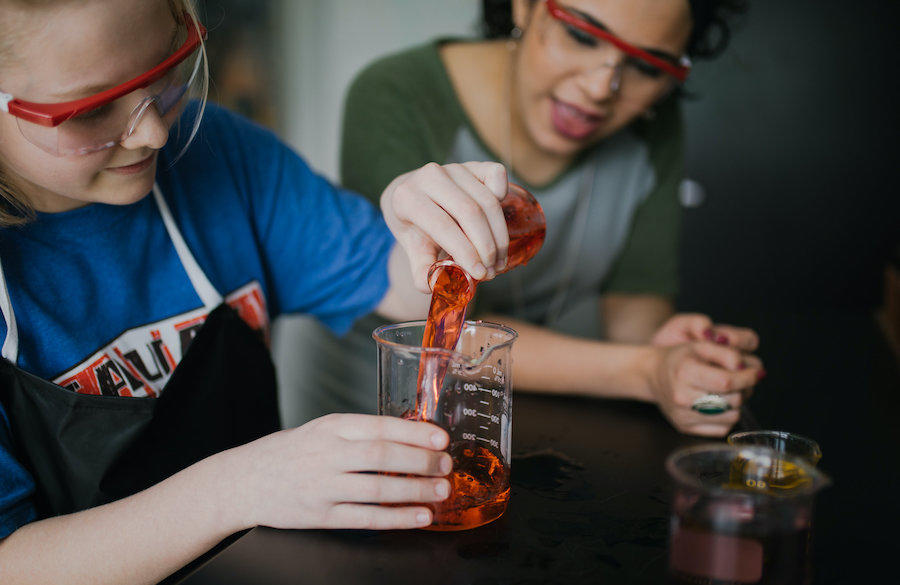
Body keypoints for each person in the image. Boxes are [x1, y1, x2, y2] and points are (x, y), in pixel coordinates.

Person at [0, 1, 515, 582]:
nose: (154, 131)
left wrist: (425, 224)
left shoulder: (219, 152)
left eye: (167, 72)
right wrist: (239, 487)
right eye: (91, 111)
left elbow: (405, 291)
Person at [302, 0, 765, 438]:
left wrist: (674, 355)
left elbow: (634, 313)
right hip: (373, 417)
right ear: (524, 4)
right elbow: (448, 328)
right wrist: (644, 370)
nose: (602, 87)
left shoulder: (652, 130)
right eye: (583, 36)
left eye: (647, 66)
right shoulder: (396, 93)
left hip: (512, 427)